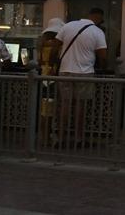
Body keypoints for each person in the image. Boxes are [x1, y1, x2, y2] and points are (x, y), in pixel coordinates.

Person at [55, 8, 107, 147]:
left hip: (65, 71)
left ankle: (60, 137)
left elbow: (56, 45)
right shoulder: (97, 32)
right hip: (85, 73)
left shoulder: (68, 26)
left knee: (65, 104)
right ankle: (78, 138)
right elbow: (102, 55)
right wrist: (103, 67)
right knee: (80, 106)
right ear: (99, 17)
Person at [37, 18, 64, 146]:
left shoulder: (42, 45)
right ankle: (53, 137)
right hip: (54, 79)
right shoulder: (58, 46)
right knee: (55, 110)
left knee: (45, 111)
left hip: (43, 78)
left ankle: (45, 137)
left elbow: (39, 62)